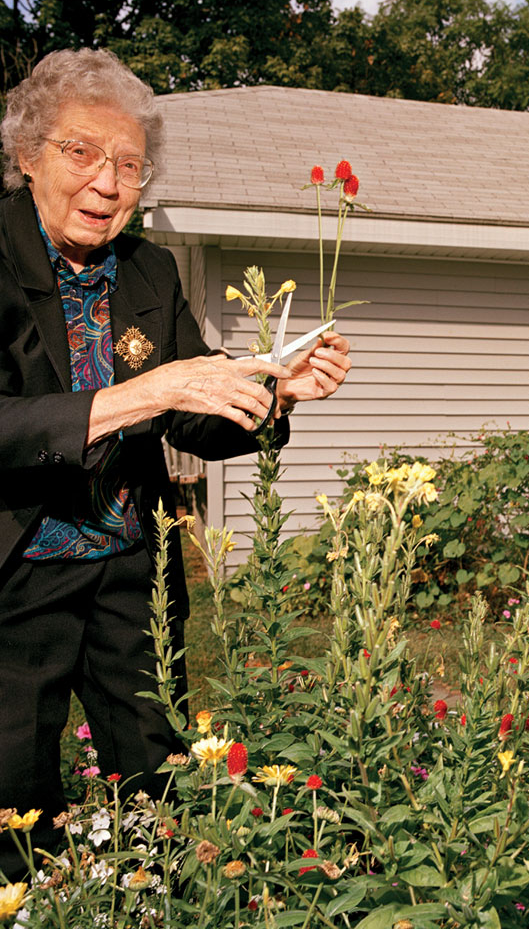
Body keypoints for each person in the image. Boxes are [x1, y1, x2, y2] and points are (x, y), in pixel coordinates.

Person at [0, 48, 351, 877]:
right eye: (80, 153)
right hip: (16, 576)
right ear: (26, 156)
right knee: (13, 804)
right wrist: (147, 392)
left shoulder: (147, 267)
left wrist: (278, 394)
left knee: (158, 792)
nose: (108, 182)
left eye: (129, 164)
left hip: (132, 573)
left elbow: (193, 423)